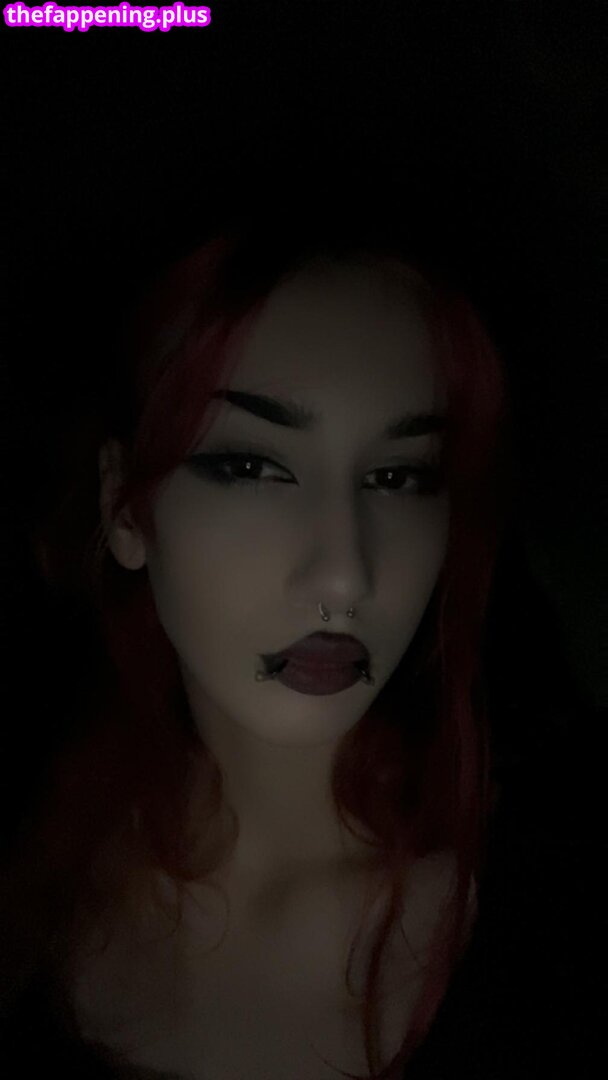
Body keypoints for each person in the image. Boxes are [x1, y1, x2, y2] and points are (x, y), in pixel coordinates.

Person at [1, 211, 517, 1080]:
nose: (345, 578)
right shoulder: (37, 847)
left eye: (398, 477)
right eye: (250, 467)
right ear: (124, 507)